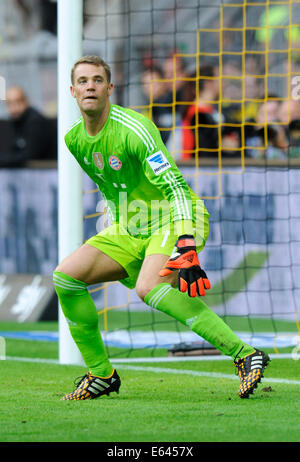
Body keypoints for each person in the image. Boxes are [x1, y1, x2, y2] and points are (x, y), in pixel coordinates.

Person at [53, 55, 270, 401]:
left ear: (110, 88)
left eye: (97, 80)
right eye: (82, 81)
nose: (89, 86)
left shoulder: (135, 129)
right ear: (72, 91)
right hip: (130, 228)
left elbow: (177, 188)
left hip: (172, 216)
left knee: (149, 288)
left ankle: (244, 354)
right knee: (65, 277)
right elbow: (113, 186)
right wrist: (113, 218)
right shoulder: (74, 140)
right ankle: (101, 374)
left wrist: (185, 238)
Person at [0, 86, 57, 167]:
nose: (14, 108)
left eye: (18, 102)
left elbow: (29, 156)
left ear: (26, 101)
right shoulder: (15, 122)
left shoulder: (36, 122)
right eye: (10, 103)